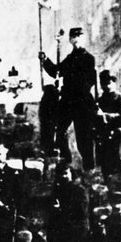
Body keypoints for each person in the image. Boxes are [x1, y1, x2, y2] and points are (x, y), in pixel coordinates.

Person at [39, 27, 99, 168]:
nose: (76, 39)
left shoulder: (89, 59)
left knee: (83, 137)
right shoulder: (70, 58)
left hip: (82, 101)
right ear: (70, 40)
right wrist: (45, 60)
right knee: (59, 131)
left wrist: (76, 89)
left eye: (79, 36)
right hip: (67, 101)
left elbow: (90, 81)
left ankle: (89, 167)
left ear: (84, 38)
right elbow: (56, 71)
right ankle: (65, 163)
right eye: (73, 36)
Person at [94, 70, 121, 176]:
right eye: (103, 83)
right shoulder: (100, 100)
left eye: (108, 83)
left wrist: (104, 115)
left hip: (119, 132)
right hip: (104, 133)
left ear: (114, 83)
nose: (106, 86)